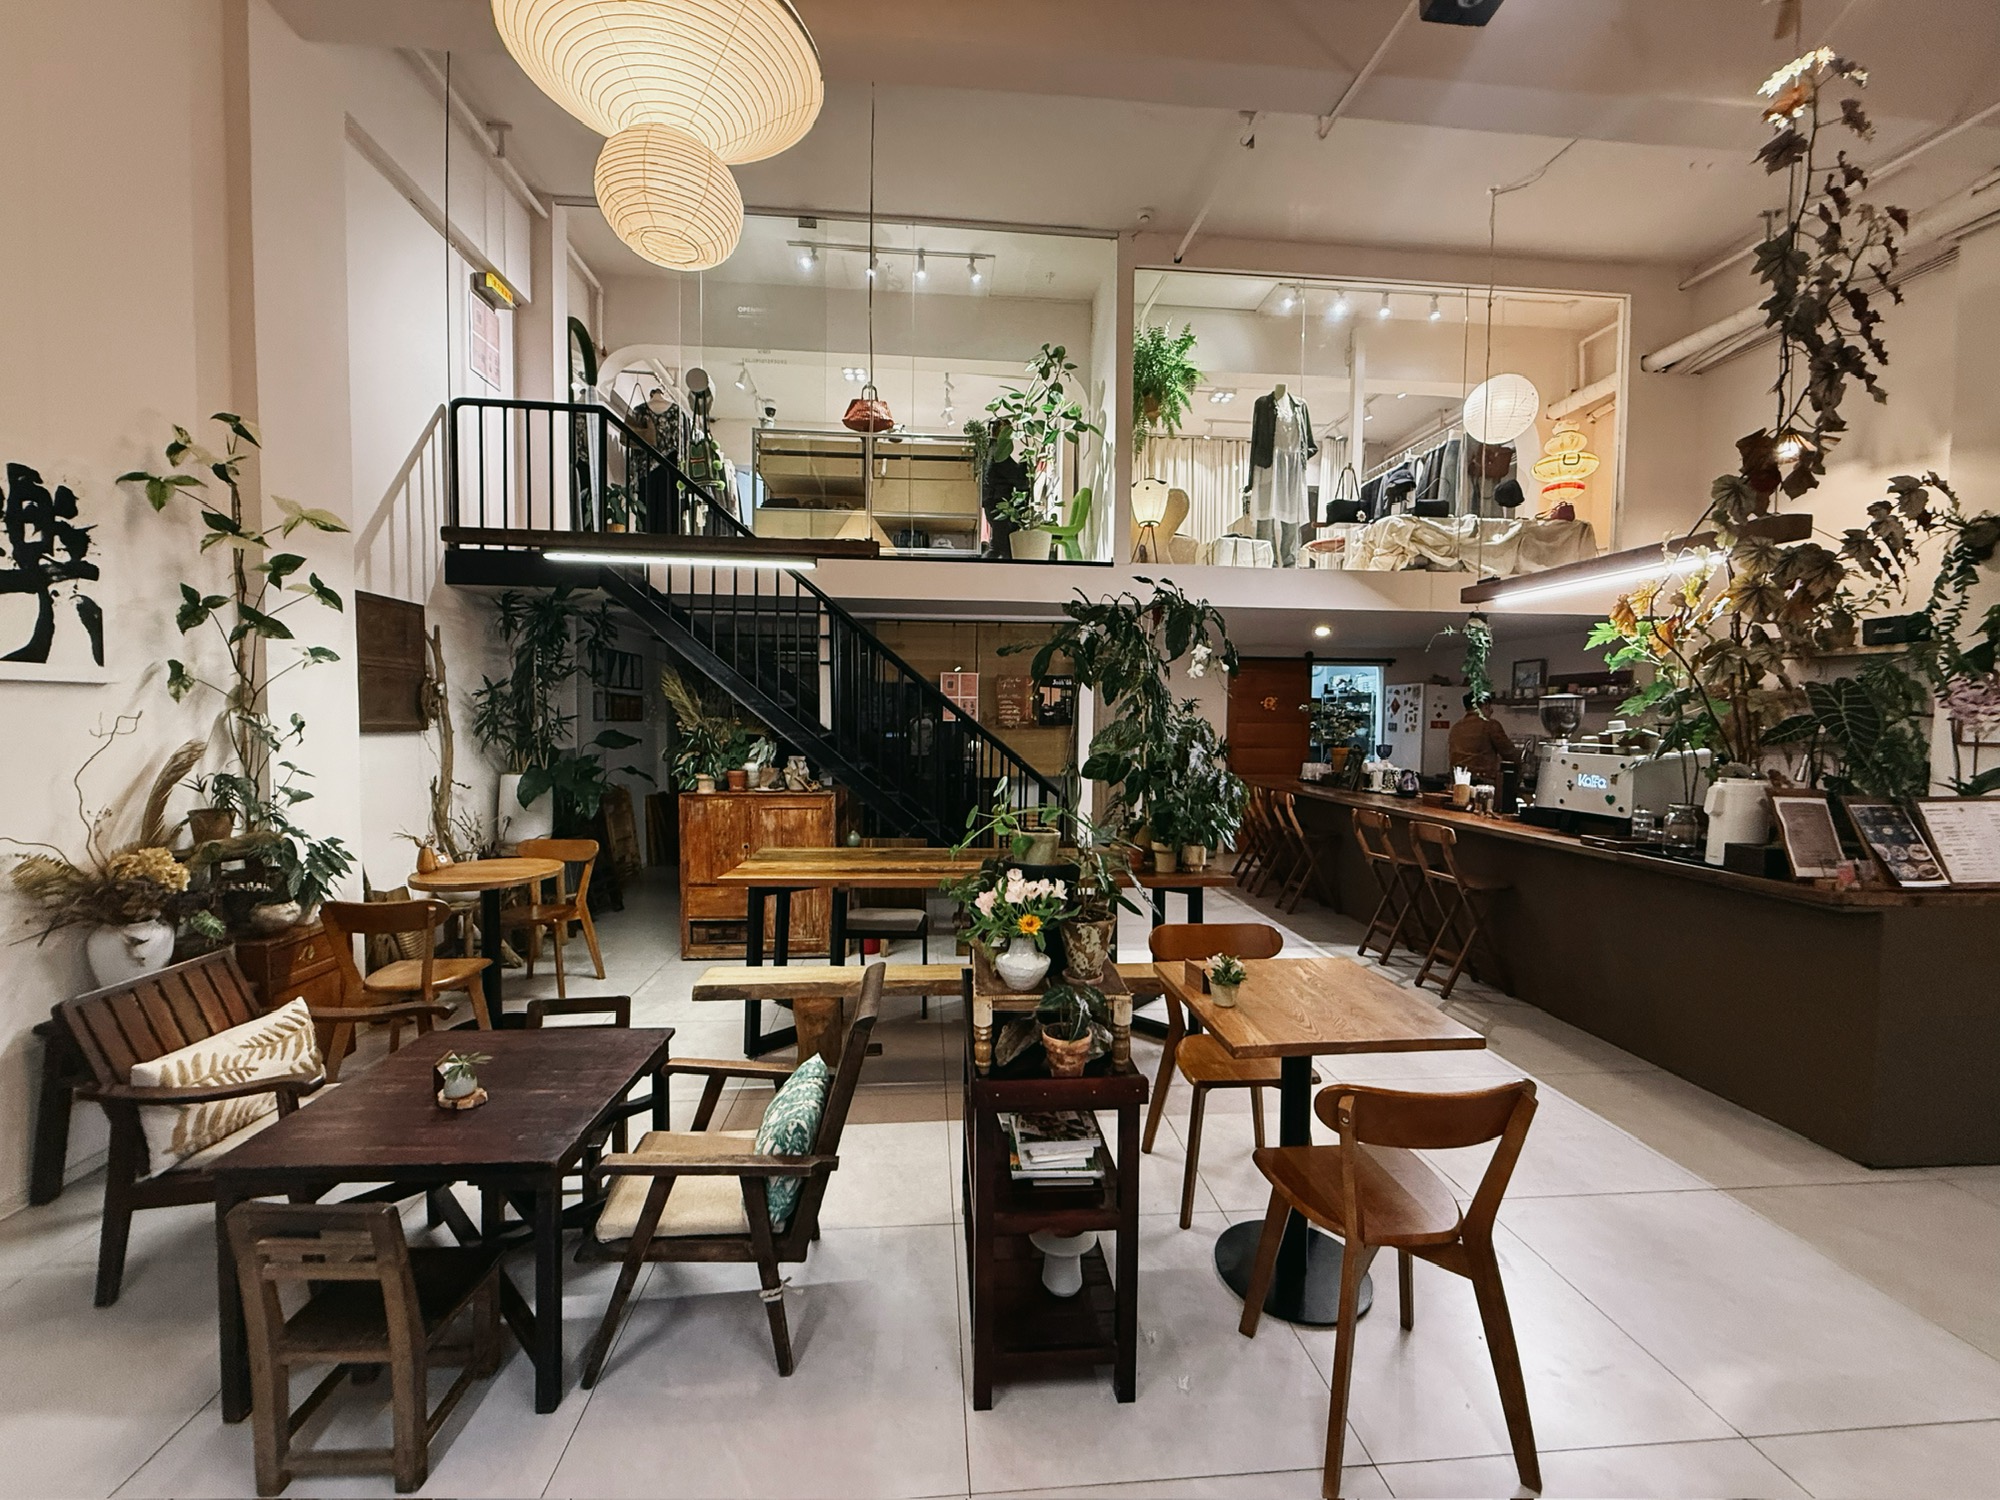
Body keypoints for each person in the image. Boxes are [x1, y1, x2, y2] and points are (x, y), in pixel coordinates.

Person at [1448, 693, 1516, 785]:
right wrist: (1522, 762)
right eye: (1490, 707)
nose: (1491, 711)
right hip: (1483, 781)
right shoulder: (1490, 725)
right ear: (1485, 705)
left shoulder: (1456, 727)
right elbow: (1509, 752)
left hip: (1458, 780)